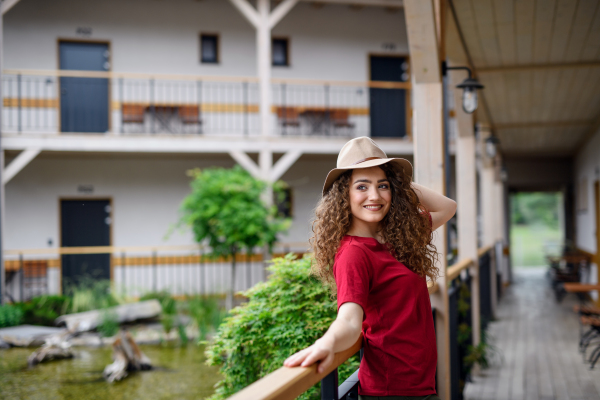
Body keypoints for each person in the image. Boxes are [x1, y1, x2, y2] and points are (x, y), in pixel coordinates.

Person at [283, 137, 456, 400]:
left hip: (418, 383)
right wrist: (326, 343)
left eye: (382, 186)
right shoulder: (354, 253)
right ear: (344, 194)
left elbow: (447, 207)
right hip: (390, 391)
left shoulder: (400, 235)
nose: (374, 196)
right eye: (361, 186)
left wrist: (397, 180)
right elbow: (350, 320)